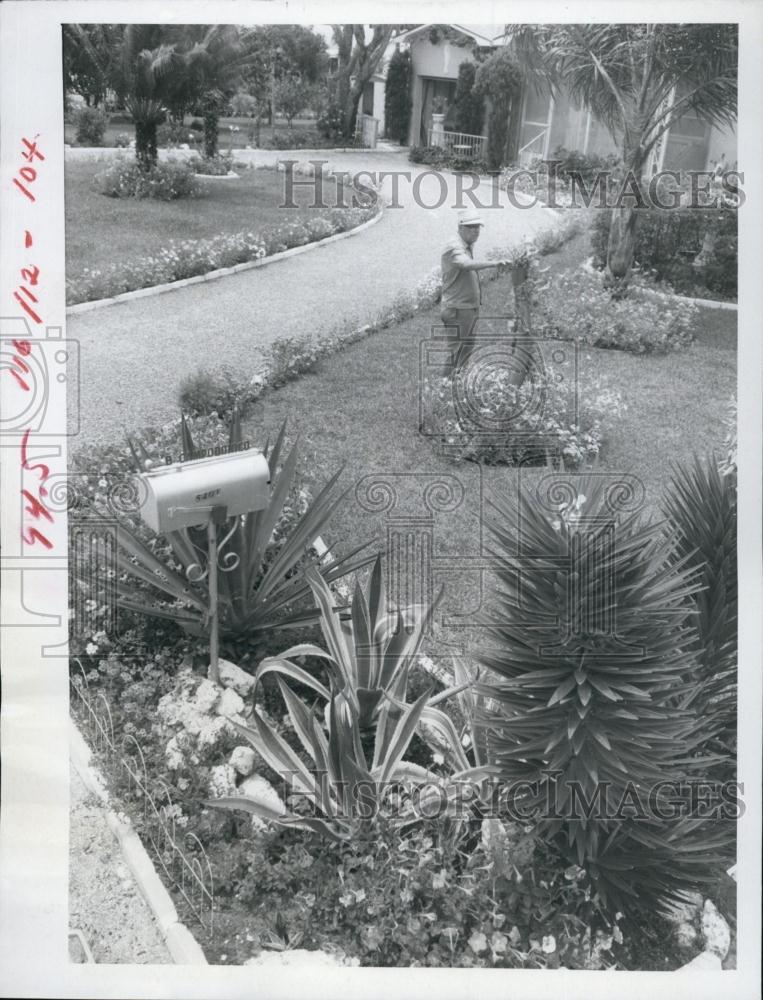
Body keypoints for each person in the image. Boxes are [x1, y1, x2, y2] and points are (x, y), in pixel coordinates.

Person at [439, 210, 509, 373]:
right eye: (471, 227)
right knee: (457, 352)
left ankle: (457, 384)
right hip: (457, 309)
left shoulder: (465, 245)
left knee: (466, 350)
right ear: (460, 227)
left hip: (466, 308)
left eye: (477, 227)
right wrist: (494, 263)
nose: (475, 231)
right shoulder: (454, 247)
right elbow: (465, 264)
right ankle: (444, 387)